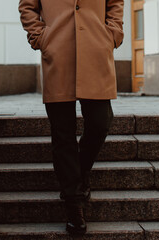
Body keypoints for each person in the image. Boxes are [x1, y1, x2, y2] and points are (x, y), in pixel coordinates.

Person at [19, 0, 124, 235]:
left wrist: (113, 33)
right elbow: (27, 6)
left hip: (96, 50)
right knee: (63, 134)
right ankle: (74, 203)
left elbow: (115, 2)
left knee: (100, 122)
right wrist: (40, 37)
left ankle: (79, 172)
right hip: (58, 53)